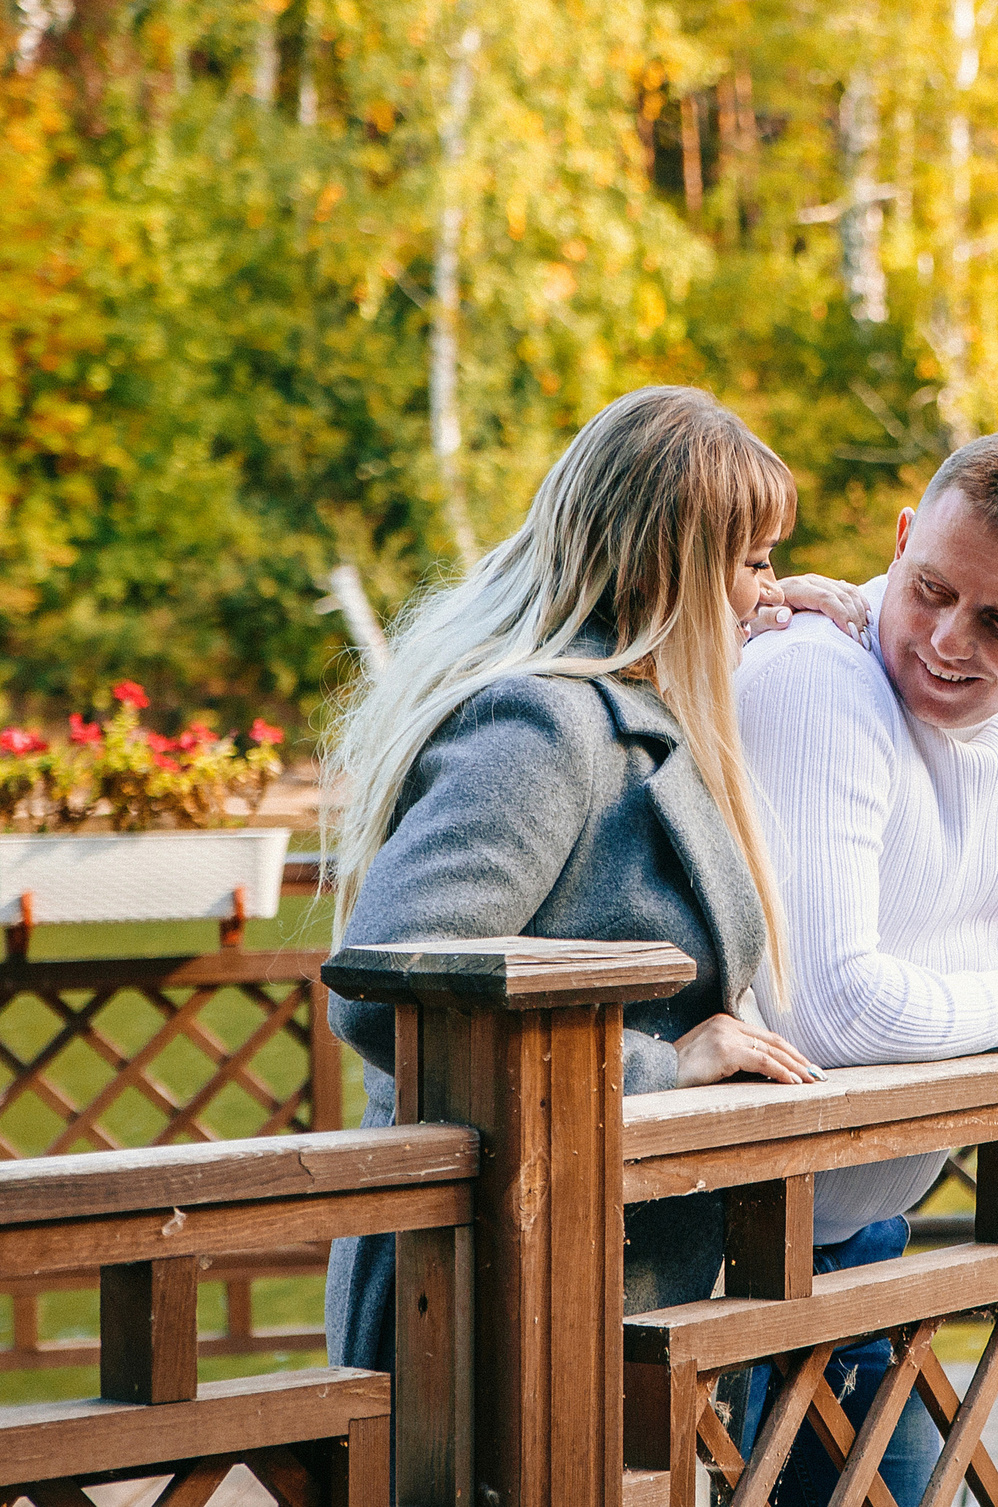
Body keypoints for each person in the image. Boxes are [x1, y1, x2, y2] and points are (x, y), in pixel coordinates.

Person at [320, 385, 826, 1370]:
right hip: (483, 1300)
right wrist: (664, 1067)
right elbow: (385, 997)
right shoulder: (543, 731)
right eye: (755, 563)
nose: (774, 590)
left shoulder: (629, 718)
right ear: (673, 566)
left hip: (590, 1285)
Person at [731, 430, 998, 1507]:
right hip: (718, 1276)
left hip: (862, 1249)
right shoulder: (816, 678)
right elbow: (824, 1009)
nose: (947, 641)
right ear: (901, 541)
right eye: (931, 590)